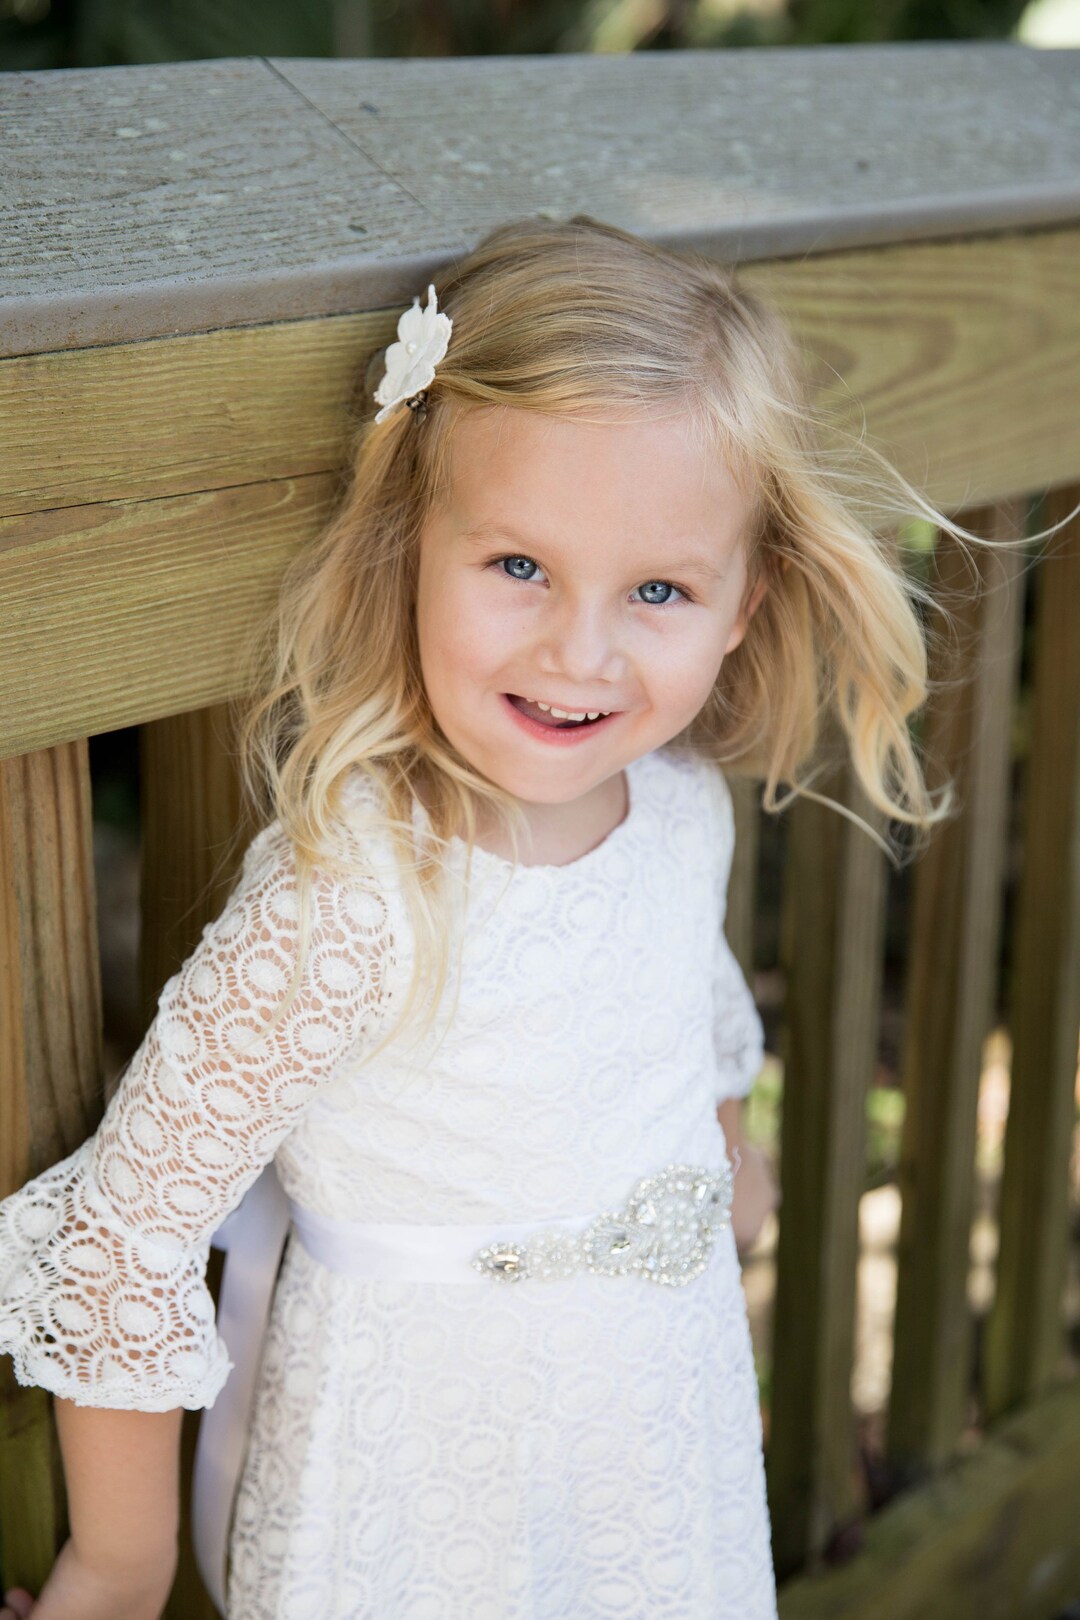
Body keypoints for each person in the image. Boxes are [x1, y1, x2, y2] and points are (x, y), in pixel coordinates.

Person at [0, 213, 1062, 1620]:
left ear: (743, 607)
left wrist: (724, 1148)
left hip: (650, 1429)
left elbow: (688, 1006)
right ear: (407, 545)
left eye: (660, 590)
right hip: (420, 1476)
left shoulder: (679, 806)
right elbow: (123, 1228)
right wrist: (120, 1568)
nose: (581, 649)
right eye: (519, 568)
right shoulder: (357, 890)